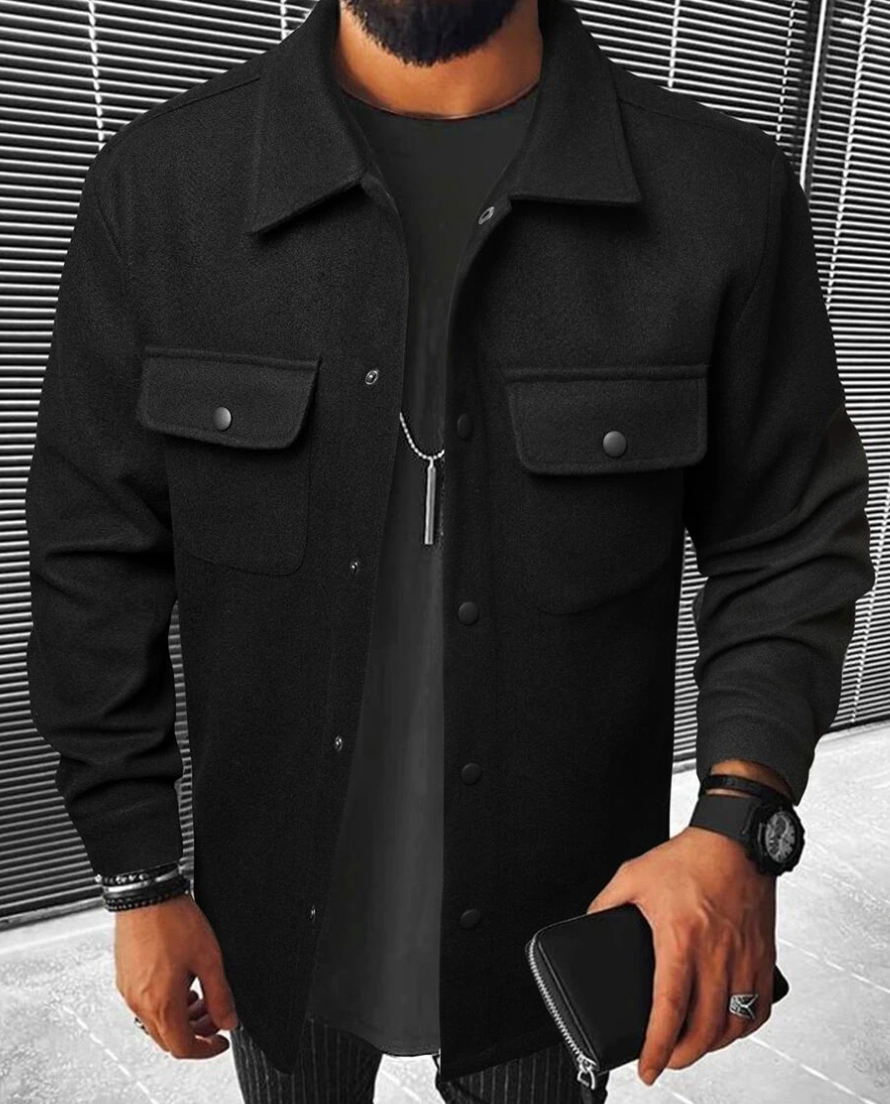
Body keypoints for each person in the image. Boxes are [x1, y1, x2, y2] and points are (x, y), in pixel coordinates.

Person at [24, 0, 875, 1100]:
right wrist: (137, 872)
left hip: (556, 930)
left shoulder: (721, 196)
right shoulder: (157, 191)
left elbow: (787, 536)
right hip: (272, 925)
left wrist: (737, 823)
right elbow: (95, 554)